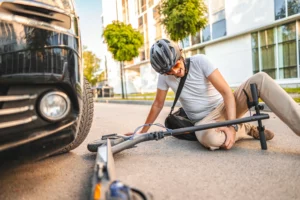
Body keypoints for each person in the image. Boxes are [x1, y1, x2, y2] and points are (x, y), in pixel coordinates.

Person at [128, 38, 300, 150]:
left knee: (261, 79)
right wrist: (141, 132)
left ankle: (237, 127)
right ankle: (245, 128)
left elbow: (226, 92)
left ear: (181, 55)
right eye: (169, 71)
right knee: (209, 139)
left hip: (226, 106)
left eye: (176, 64)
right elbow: (158, 104)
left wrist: (231, 126)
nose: (175, 71)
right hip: (206, 122)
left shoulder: (200, 61)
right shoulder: (164, 78)